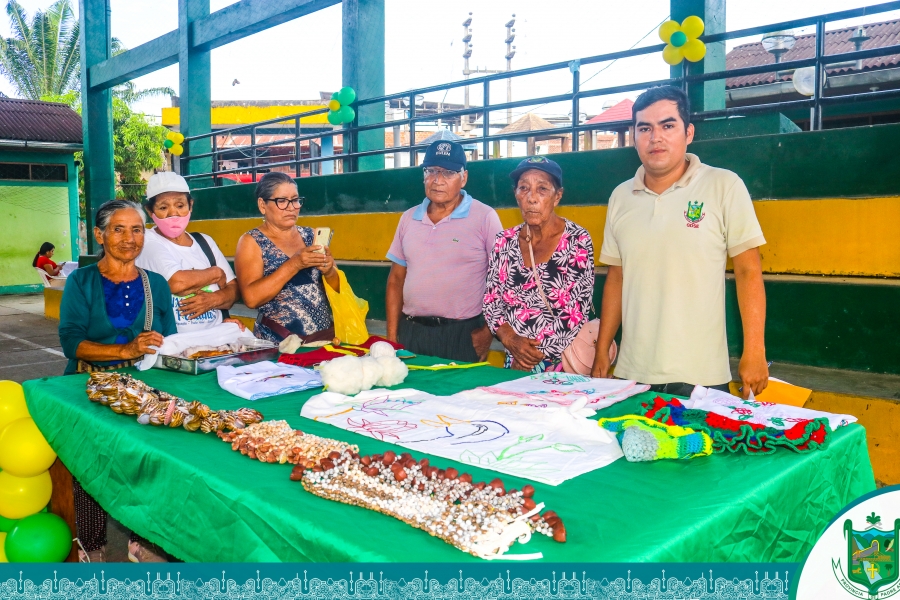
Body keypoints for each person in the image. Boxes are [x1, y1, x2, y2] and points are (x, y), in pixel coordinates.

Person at [592, 85, 768, 399]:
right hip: (632, 374)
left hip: (700, 375)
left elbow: (748, 271)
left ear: (688, 133)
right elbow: (616, 277)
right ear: (634, 136)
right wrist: (602, 349)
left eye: (667, 125)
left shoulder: (723, 185)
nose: (655, 137)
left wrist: (754, 350)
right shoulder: (620, 196)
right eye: (644, 128)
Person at [57, 199, 176, 563]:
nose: (129, 238)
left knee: (151, 461)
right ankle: (92, 547)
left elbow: (169, 340)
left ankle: (146, 541)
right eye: (119, 229)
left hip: (144, 389)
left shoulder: (155, 283)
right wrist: (126, 351)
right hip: (89, 387)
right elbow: (71, 342)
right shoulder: (82, 280)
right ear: (100, 234)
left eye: (137, 229)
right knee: (89, 464)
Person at [386, 140, 502, 362]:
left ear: (464, 178)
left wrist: (488, 331)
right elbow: (395, 280)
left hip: (463, 334)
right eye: (431, 171)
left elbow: (503, 280)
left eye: (448, 172)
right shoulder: (408, 218)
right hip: (411, 332)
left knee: (461, 396)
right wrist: (392, 338)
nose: (437, 180)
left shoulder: (485, 217)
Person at [483, 156, 595, 372]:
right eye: (523, 188)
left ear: (557, 196)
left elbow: (574, 313)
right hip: (514, 356)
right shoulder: (503, 241)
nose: (531, 198)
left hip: (562, 363)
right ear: (516, 195)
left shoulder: (576, 240)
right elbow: (491, 302)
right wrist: (511, 340)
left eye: (542, 189)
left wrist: (530, 359)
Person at [234, 171, 339, 343]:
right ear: (262, 205)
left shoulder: (311, 236)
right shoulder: (251, 241)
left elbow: (337, 290)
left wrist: (329, 272)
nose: (292, 207)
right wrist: (295, 264)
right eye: (282, 201)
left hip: (321, 339)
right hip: (277, 343)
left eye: (295, 200)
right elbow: (251, 299)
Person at [135, 171, 243, 332]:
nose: (173, 213)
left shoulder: (204, 242)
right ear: (151, 212)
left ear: (190, 205)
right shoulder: (147, 241)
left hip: (214, 339)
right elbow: (177, 283)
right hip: (172, 343)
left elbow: (234, 290)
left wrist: (213, 300)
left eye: (180, 206)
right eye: (163, 207)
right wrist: (215, 273)